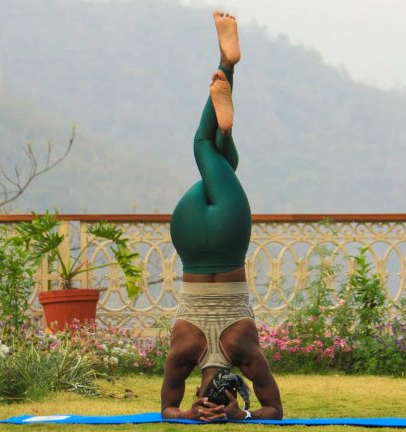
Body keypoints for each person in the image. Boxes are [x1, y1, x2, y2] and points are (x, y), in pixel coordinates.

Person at [160, 10, 283, 422]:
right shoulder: (184, 350)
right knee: (211, 154)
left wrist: (241, 415)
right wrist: (192, 414)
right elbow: (166, 410)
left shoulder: (245, 352)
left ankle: (227, 66)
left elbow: (274, 410)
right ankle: (224, 124)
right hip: (190, 238)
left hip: (229, 236)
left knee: (208, 150)